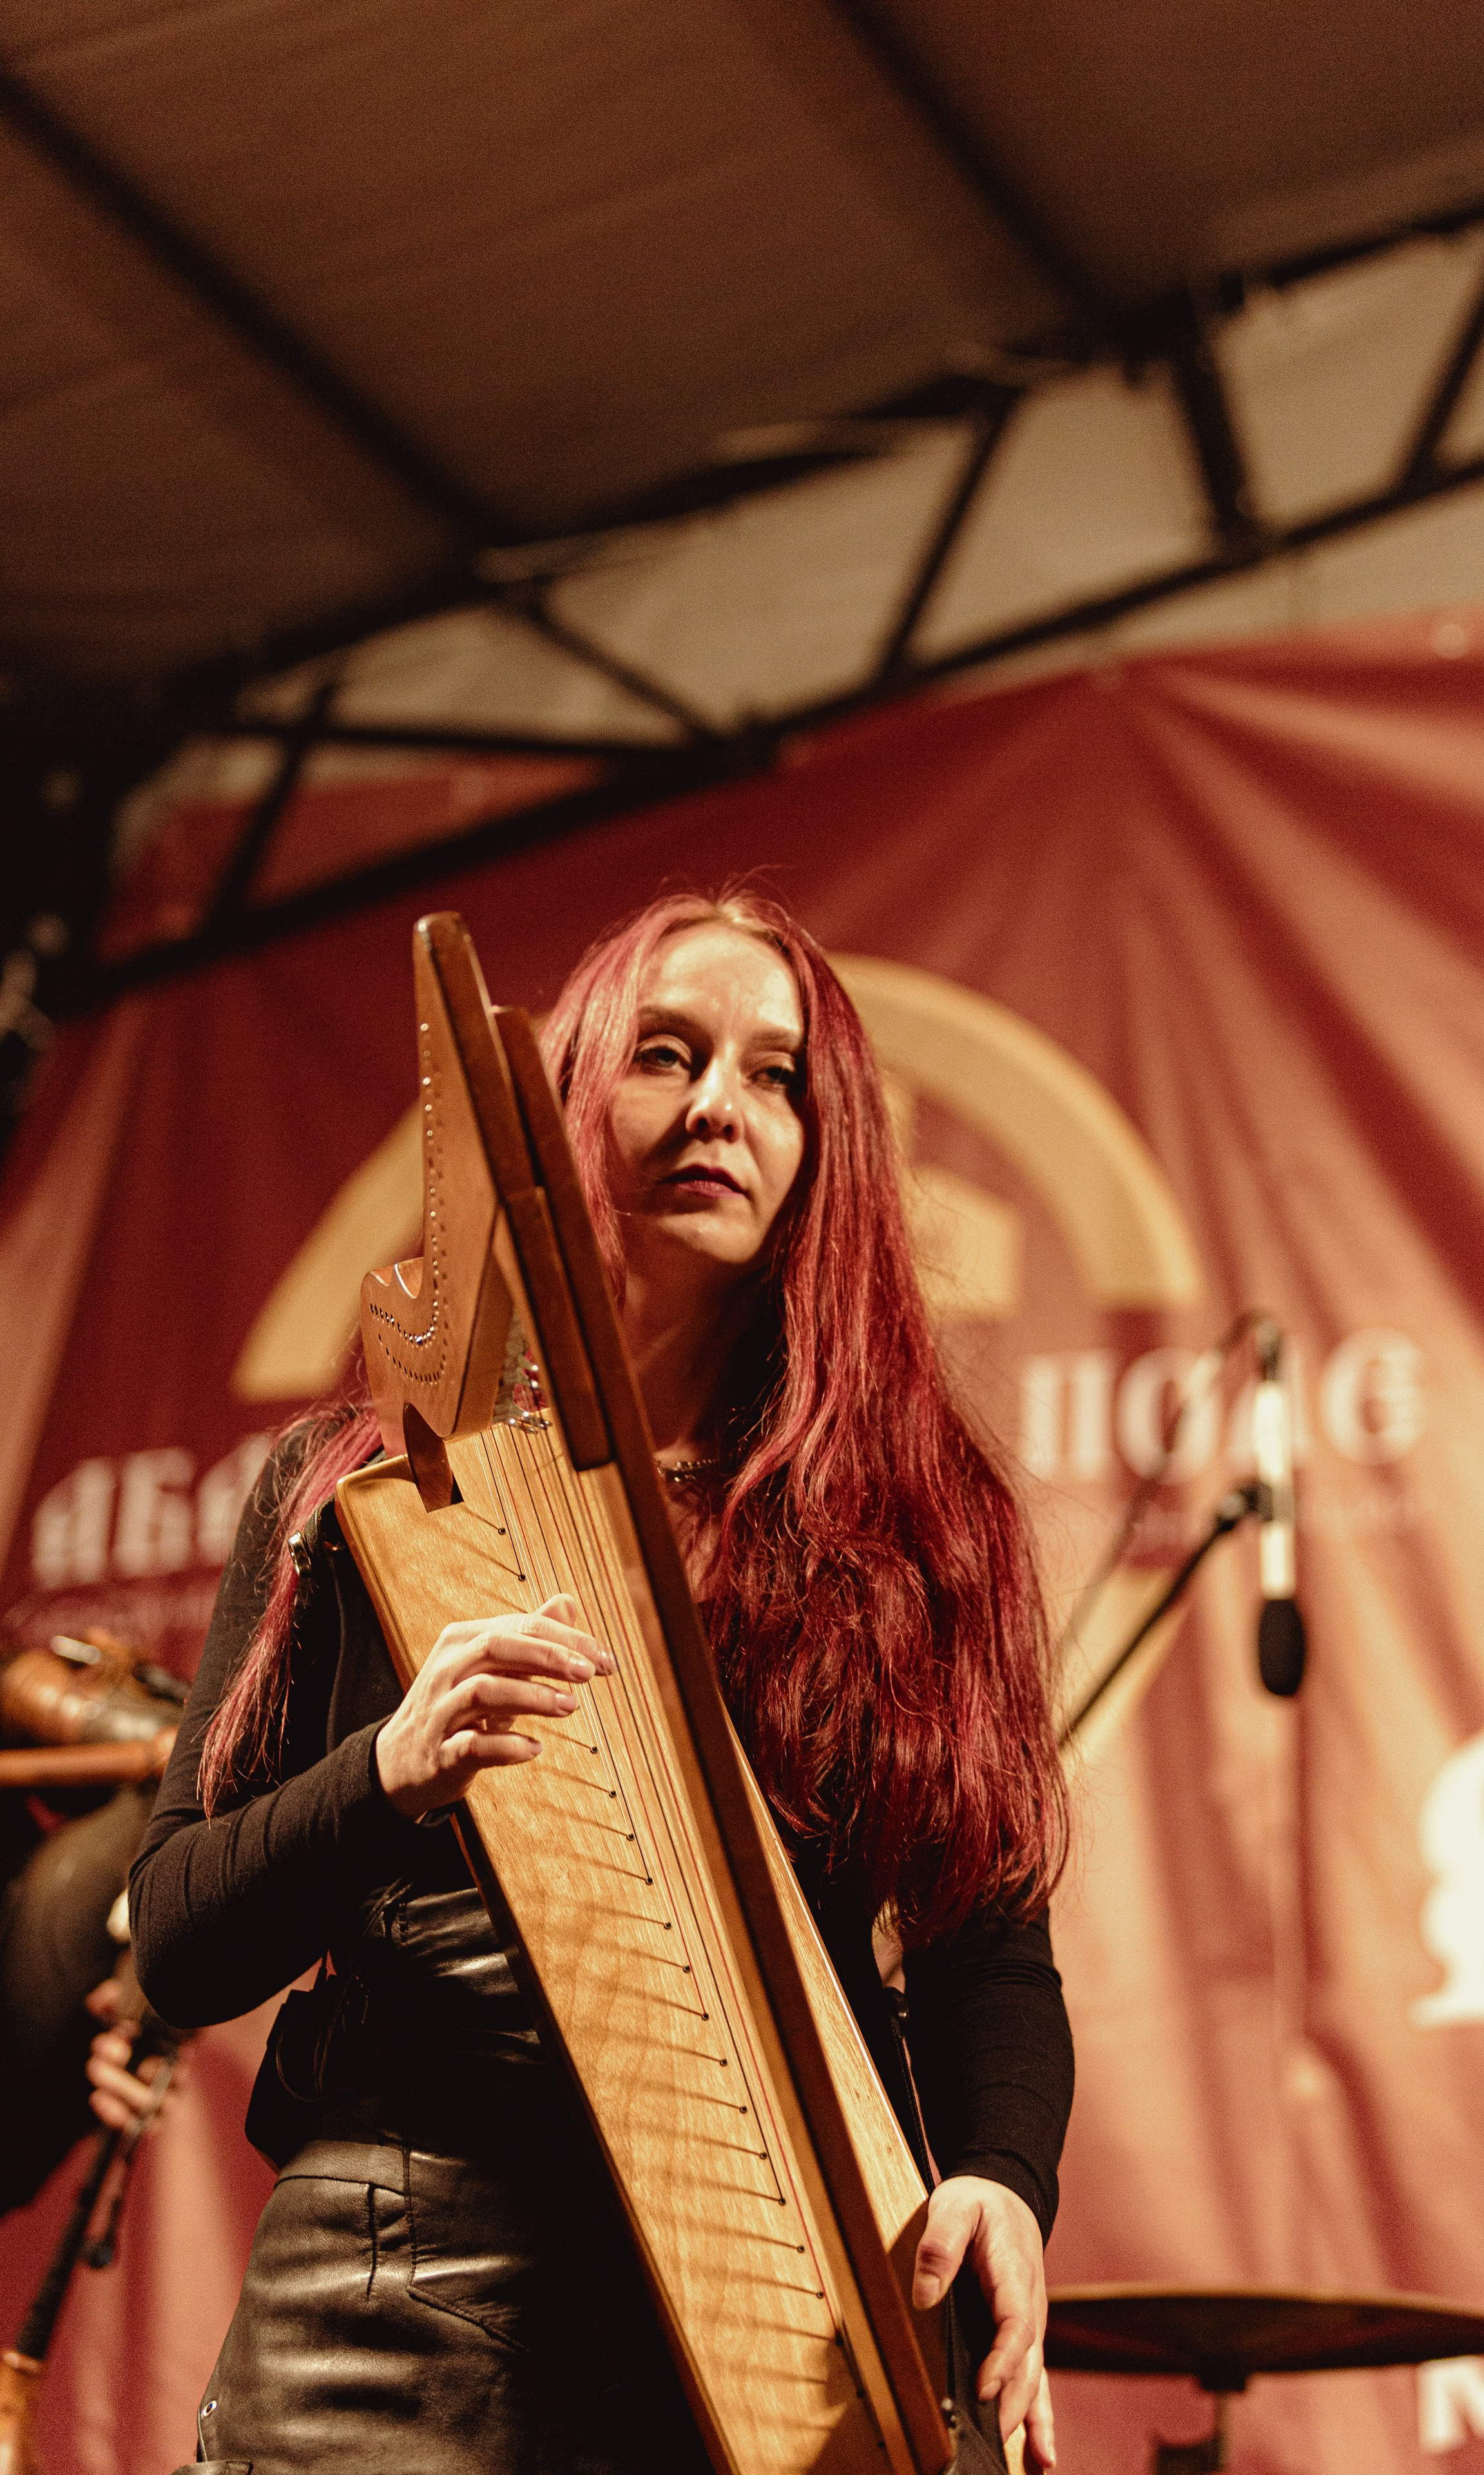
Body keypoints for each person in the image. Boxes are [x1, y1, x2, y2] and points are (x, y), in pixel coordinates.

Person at [130, 889, 1074, 2475]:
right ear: (565, 1096)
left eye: (777, 1076)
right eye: (665, 1053)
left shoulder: (917, 1528)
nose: (720, 1105)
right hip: (399, 2292)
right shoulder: (352, 1490)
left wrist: (996, 2177)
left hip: (780, 2277)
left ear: (825, 1143)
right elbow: (173, 1938)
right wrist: (386, 1776)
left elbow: (987, 1952)